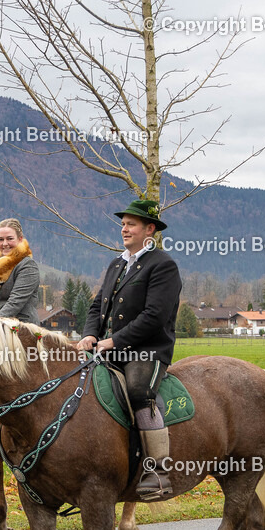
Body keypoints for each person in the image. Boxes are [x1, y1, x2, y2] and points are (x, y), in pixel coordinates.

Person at [76, 199, 181, 501]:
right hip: (110, 350)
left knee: (138, 391)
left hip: (147, 352)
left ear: (149, 229)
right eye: (123, 223)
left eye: (130, 223)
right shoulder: (117, 263)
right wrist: (89, 335)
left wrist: (113, 341)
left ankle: (158, 471)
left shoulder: (163, 265)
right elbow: (98, 306)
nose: (124, 228)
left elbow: (154, 317)